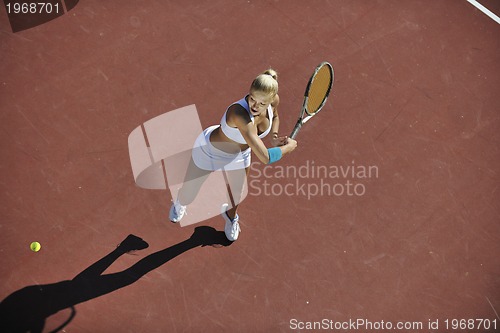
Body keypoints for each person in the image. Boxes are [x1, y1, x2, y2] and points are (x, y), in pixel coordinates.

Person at [169, 69, 297, 241]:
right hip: (210, 151)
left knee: (237, 193)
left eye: (261, 103)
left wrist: (274, 138)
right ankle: (180, 201)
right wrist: (288, 148)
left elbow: (275, 118)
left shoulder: (274, 101)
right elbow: (265, 157)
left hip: (240, 154)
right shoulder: (238, 114)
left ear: (271, 100)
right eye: (252, 98)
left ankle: (230, 218)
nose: (254, 105)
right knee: (189, 193)